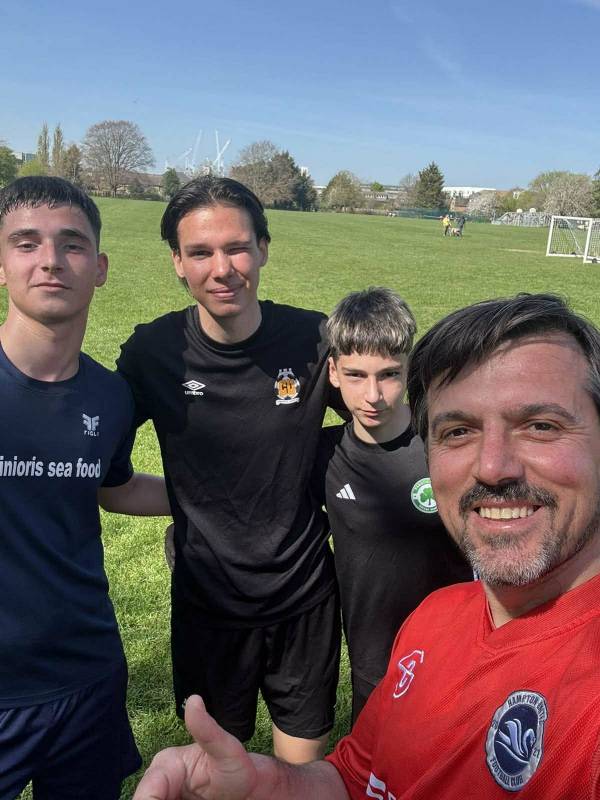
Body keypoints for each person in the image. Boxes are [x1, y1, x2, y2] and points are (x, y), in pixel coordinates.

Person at [134, 292, 600, 799]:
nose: (491, 466)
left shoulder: (430, 457)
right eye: (460, 431)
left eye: (541, 427)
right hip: (384, 654)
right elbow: (358, 778)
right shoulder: (325, 458)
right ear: (333, 373)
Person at [117, 176, 340, 763]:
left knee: (298, 779)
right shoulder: (154, 353)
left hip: (304, 600)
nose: (222, 269)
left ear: (263, 248)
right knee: (218, 772)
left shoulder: (315, 340)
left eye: (237, 247)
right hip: (208, 607)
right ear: (177, 262)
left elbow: (383, 430)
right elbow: (101, 473)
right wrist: (192, 500)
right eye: (200, 252)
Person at [0, 176, 170, 800]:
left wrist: (213, 503)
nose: (50, 260)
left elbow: (111, 487)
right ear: (0, 265)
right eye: (26, 243)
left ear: (99, 268)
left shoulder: (110, 395)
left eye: (71, 244)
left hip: (87, 674)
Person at [313, 287, 471, 723]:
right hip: (371, 658)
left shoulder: (444, 447)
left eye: (388, 375)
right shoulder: (322, 455)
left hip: (451, 652)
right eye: (356, 375)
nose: (373, 395)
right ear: (333, 372)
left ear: (409, 370)